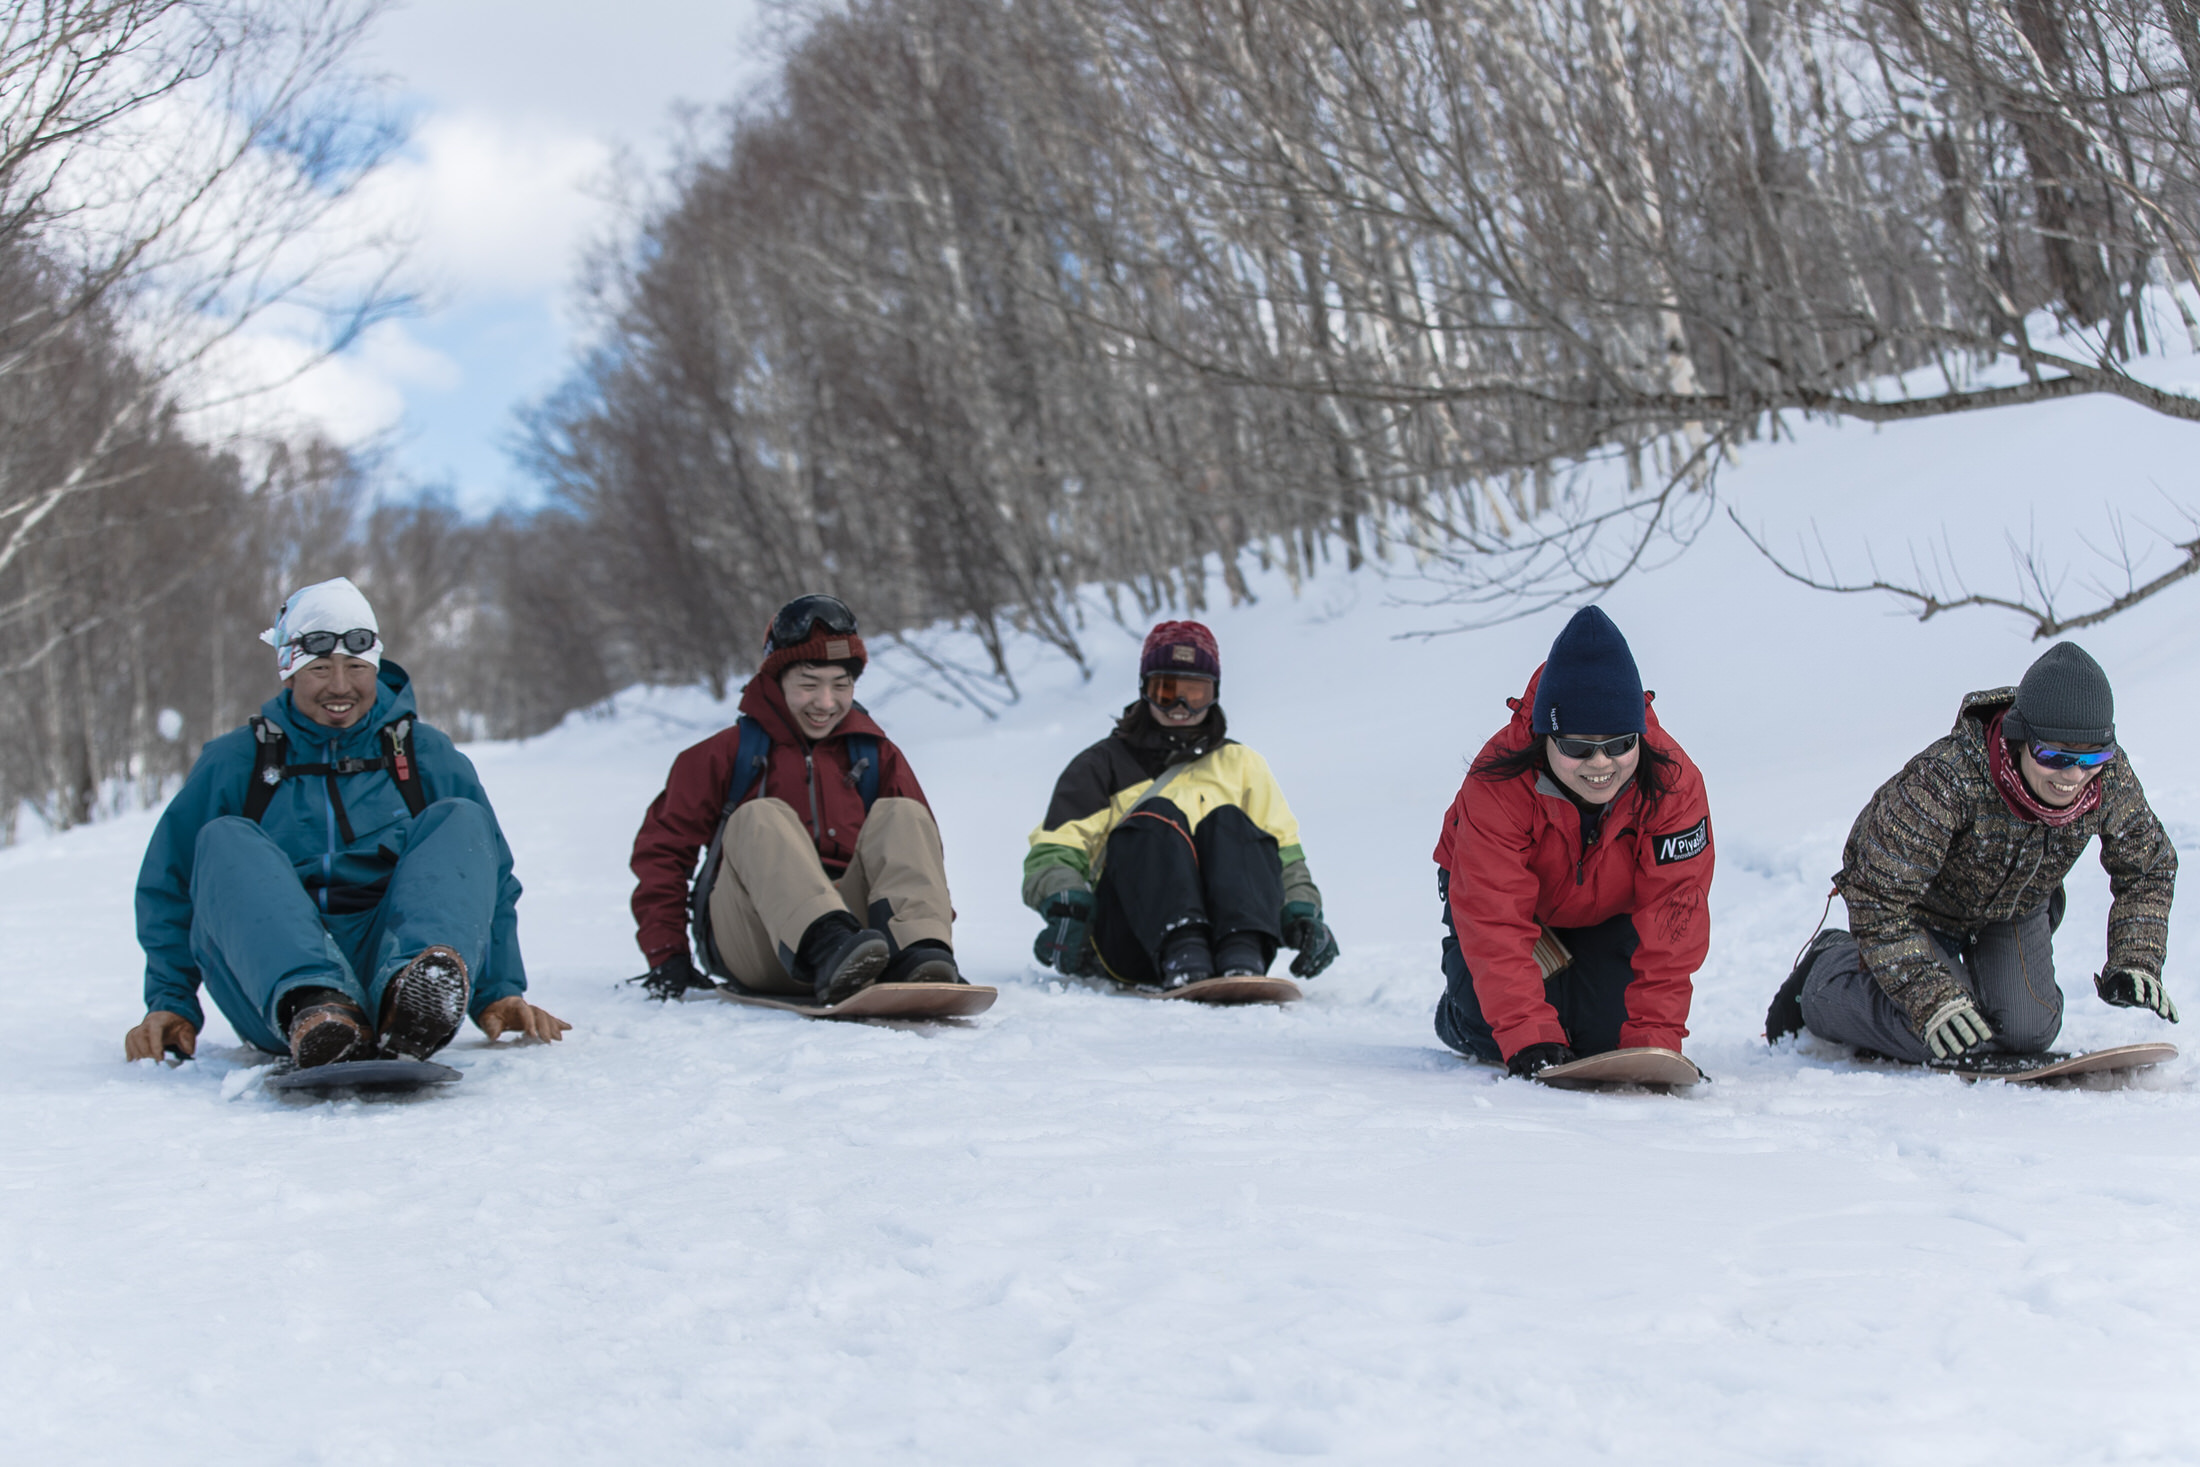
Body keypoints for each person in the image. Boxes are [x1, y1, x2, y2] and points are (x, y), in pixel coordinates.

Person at [126, 577, 568, 1068]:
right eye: (319, 669)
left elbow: (489, 877)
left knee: (461, 821)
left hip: (395, 962)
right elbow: (171, 885)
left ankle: (416, 1003)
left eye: (356, 667)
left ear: (375, 666)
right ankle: (314, 1005)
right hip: (270, 987)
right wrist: (170, 1001)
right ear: (288, 674)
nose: (340, 686)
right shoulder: (235, 763)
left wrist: (498, 991)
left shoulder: (424, 755)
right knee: (223, 839)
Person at [1766, 643, 2178, 1063]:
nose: (2073, 775)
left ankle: (1964, 989)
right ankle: (1822, 979)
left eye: (2093, 757)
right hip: (1918, 914)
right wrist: (1930, 998)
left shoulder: (2107, 778)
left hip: (2015, 907)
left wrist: (2136, 957)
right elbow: (1877, 895)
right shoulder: (1946, 779)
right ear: (2021, 738)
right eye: (2054, 756)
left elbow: (2148, 866)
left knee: (2029, 1031)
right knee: (1943, 1034)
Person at [628, 594, 960, 1006]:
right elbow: (663, 855)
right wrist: (667, 955)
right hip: (756, 939)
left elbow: (919, 860)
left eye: (841, 685)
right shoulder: (722, 755)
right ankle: (824, 945)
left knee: (905, 815)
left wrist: (924, 927)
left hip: (863, 948)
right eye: (808, 684)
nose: (826, 703)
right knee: (759, 816)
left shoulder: (875, 755)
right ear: (775, 680)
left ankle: (918, 957)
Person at [1432, 606, 1714, 1077]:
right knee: (1499, 1028)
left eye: (1621, 743)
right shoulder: (1498, 783)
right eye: (1578, 747)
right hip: (1517, 911)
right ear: (1547, 736)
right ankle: (1458, 1013)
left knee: (1605, 1038)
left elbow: (1674, 917)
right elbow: (1495, 916)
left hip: (1607, 910)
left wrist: (1654, 1043)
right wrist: (1527, 1035)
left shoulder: (1673, 785)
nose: (1601, 763)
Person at [1024, 620, 1338, 988]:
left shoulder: (1241, 764)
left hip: (1234, 944)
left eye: (1195, 693)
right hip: (1132, 941)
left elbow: (1283, 853)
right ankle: (1182, 946)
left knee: (1228, 821)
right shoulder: (1100, 766)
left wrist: (1303, 912)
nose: (1180, 706)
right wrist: (1067, 904)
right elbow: (1054, 852)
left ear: (1214, 693)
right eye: (1166, 691)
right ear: (1145, 690)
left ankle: (1242, 949)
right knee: (1158, 817)